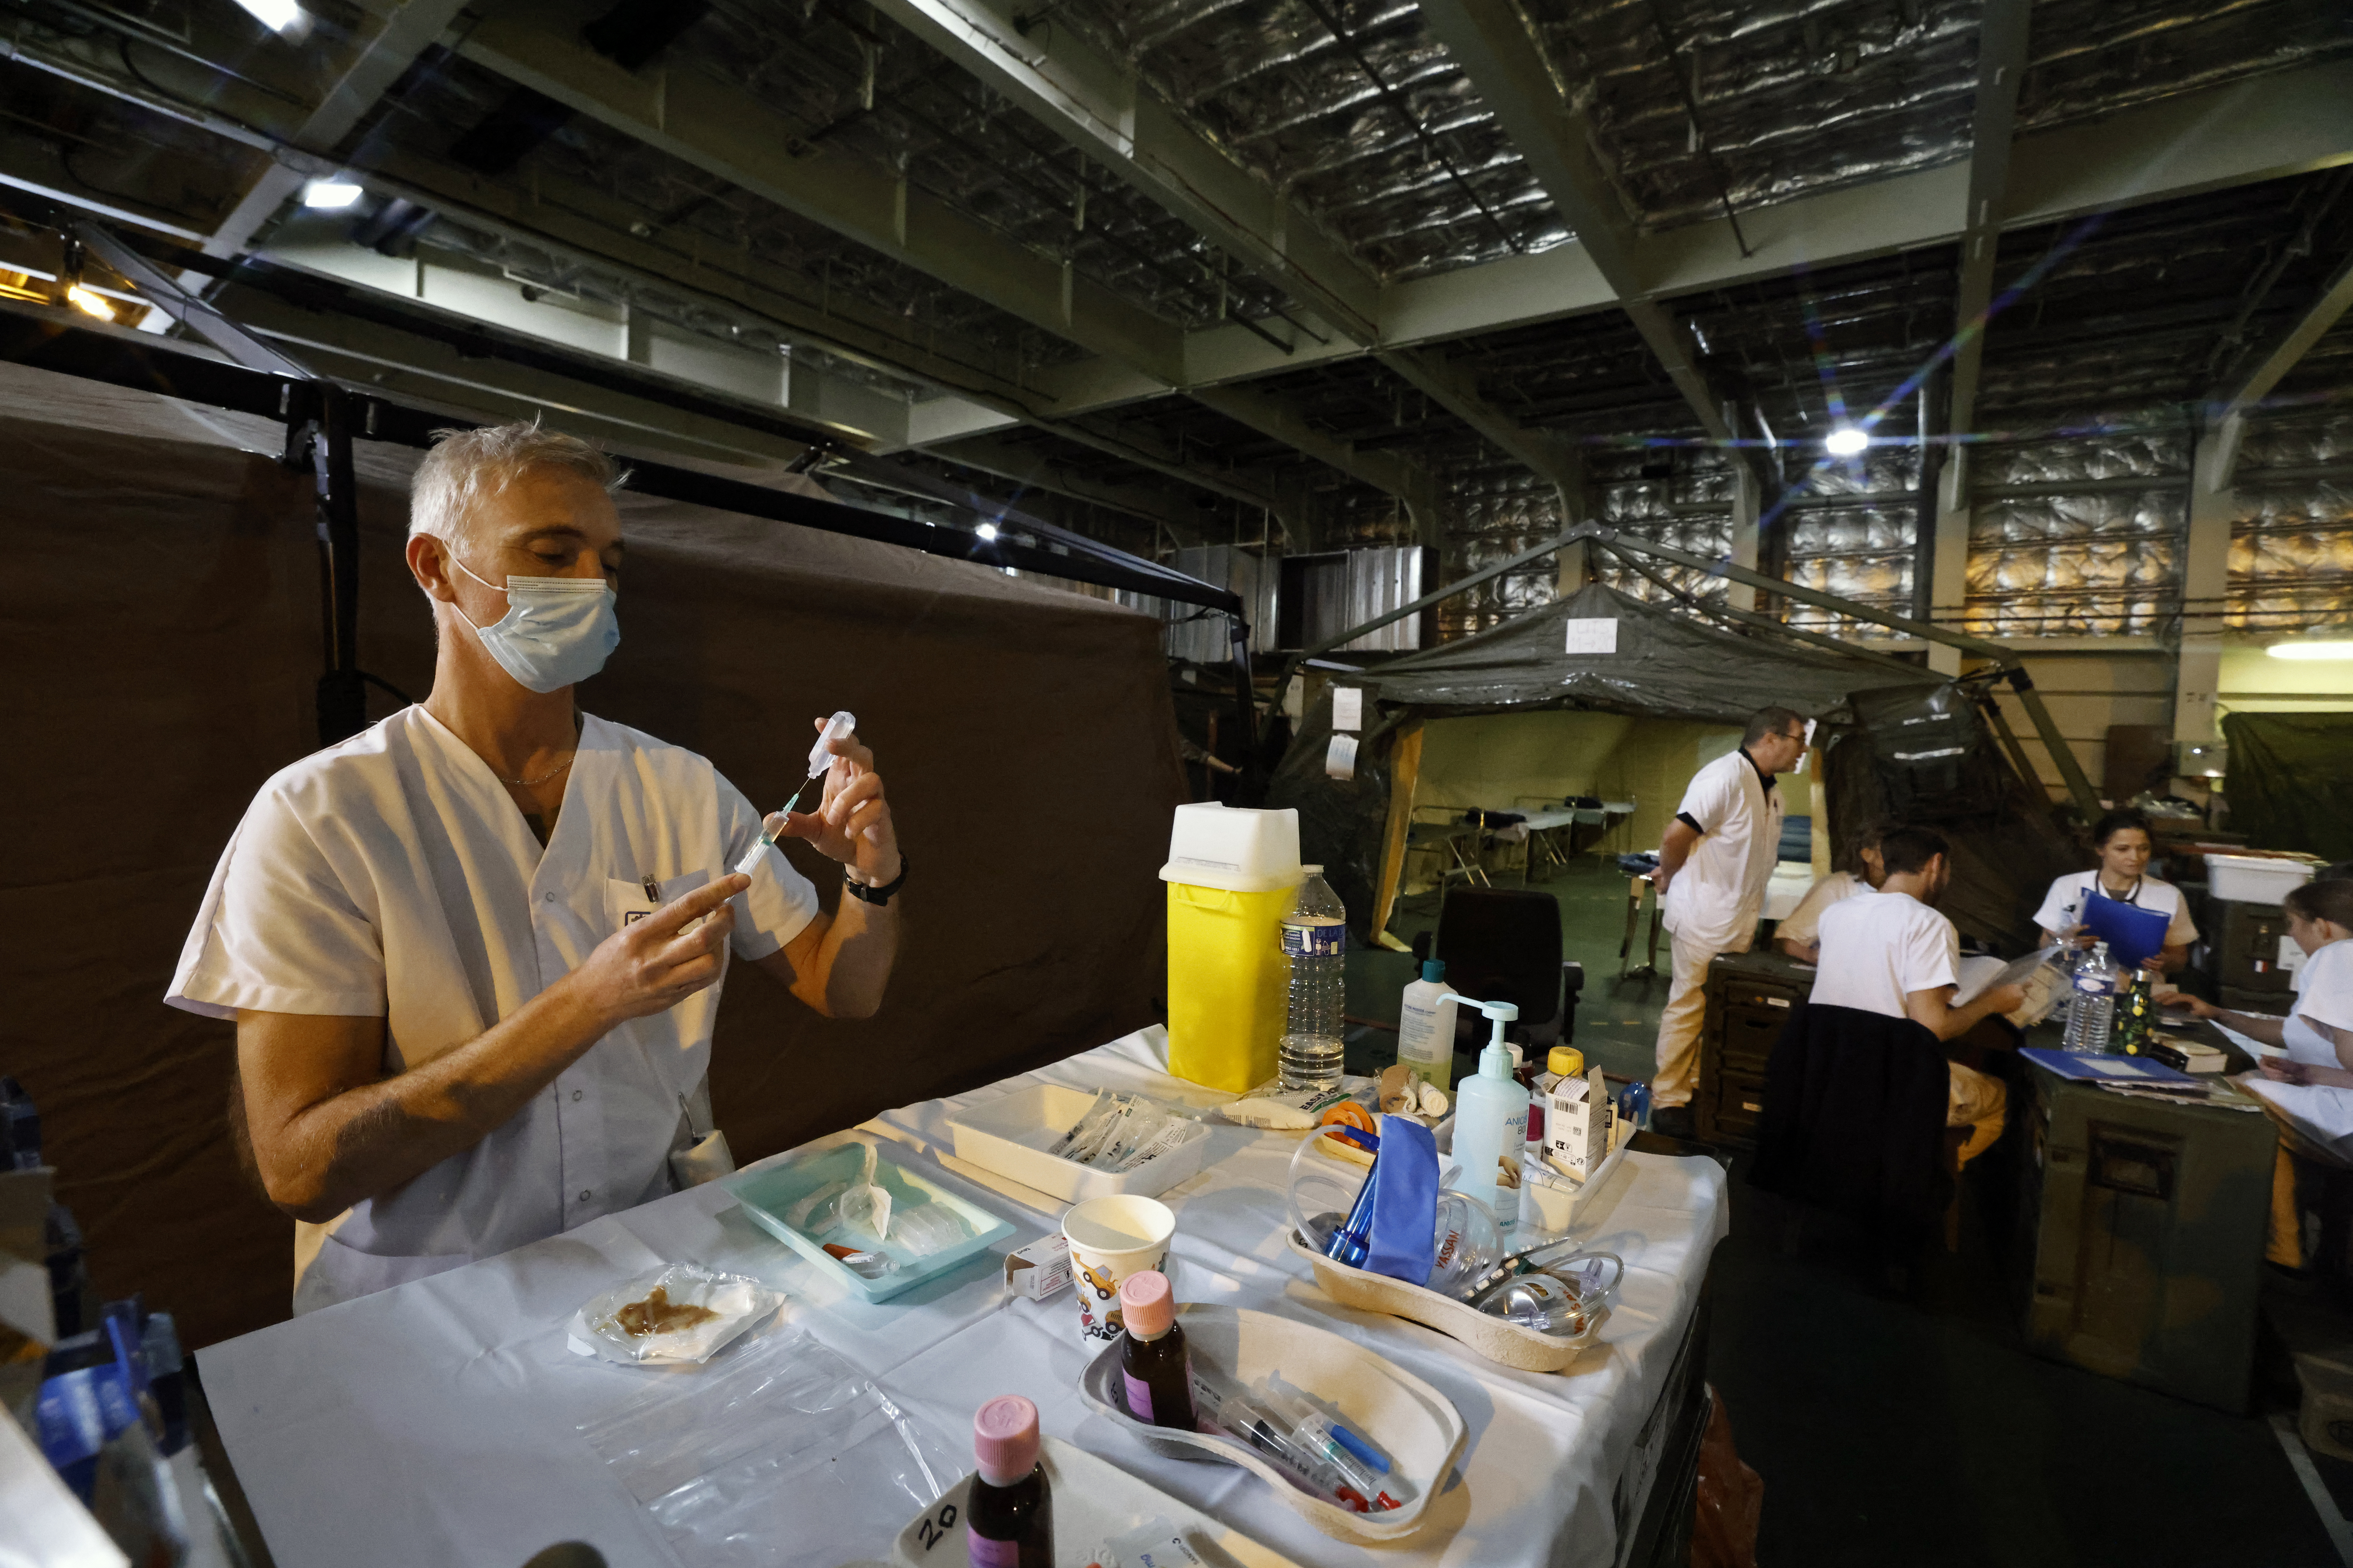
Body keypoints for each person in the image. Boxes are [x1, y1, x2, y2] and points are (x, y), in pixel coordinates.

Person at [166, 424, 905, 1312]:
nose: (592, 584)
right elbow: (301, 1168)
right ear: (437, 568)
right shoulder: (325, 816)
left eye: (611, 562)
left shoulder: (678, 787)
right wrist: (588, 1002)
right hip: (423, 1306)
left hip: (655, 1277)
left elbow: (843, 988)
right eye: (553, 554)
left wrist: (871, 878)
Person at [2163, 878, 2353, 1269]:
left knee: (2231, 1100)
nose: (2291, 934)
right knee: (2251, 1084)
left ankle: (2280, 1247)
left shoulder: (2338, 956)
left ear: (2323, 927)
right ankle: (2288, 1243)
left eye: (2292, 923)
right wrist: (2217, 1014)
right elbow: (2291, 1033)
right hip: (2341, 1102)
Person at [1811, 827, 2026, 1166]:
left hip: (1830, 1072)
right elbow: (1930, 1028)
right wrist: (1993, 1002)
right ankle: (1932, 1178)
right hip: (1892, 1084)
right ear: (1935, 865)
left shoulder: (1836, 913)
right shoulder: (1929, 924)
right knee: (2005, 1097)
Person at [1648, 707, 1811, 1138]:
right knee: (1688, 1007)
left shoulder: (1773, 792)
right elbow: (1676, 836)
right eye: (1799, 740)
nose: (1804, 751)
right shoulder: (1724, 777)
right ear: (1772, 738)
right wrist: (1668, 874)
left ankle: (1701, 1086)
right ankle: (1668, 1098)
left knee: (1716, 1011)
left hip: (1736, 918)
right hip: (1704, 917)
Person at [2033, 808, 2197, 976]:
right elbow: (2044, 945)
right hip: (2075, 981)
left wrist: (2165, 962)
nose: (2135, 857)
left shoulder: (2168, 895)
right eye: (2122, 849)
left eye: (2144, 849)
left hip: (2138, 985)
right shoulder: (2068, 886)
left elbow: (2179, 959)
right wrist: (2065, 943)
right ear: (2100, 849)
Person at [1775, 818, 1893, 963]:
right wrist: (1813, 956)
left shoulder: (1907, 892)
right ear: (1868, 855)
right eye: (1892, 850)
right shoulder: (1838, 887)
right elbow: (1787, 939)